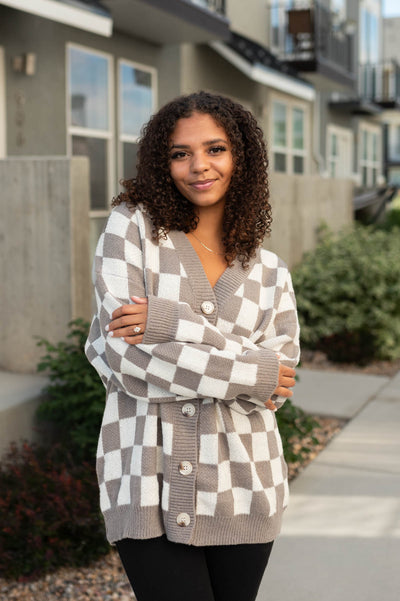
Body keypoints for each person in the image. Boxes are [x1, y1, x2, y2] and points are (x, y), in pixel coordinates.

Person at [85, 91, 299, 601]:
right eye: (180, 153)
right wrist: (251, 372)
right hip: (143, 477)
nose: (198, 166)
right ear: (164, 163)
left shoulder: (271, 273)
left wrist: (171, 323)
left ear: (241, 158)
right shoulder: (132, 229)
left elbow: (281, 383)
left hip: (247, 483)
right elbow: (124, 359)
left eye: (215, 149)